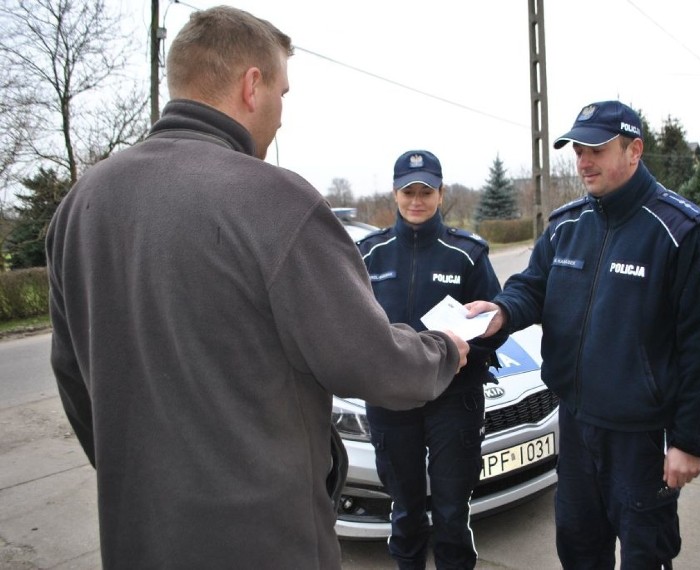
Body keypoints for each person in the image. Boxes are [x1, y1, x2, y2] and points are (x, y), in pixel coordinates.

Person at [45, 7, 469, 570]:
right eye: (283, 93)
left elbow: (74, 378)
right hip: (267, 539)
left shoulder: (80, 205)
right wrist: (444, 349)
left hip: (140, 534)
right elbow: (370, 361)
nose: (281, 117)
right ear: (252, 85)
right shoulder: (274, 201)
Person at [466, 100, 700, 569]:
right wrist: (503, 310)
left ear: (634, 150)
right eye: (577, 150)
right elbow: (533, 287)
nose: (583, 161)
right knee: (578, 549)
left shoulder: (681, 231)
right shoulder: (567, 225)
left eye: (595, 149)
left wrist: (690, 441)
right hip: (575, 425)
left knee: (644, 556)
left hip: (640, 439)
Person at [356, 150, 508, 569]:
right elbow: (353, 328)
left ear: (441, 194)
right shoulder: (370, 254)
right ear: (395, 194)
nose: (417, 200)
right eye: (409, 191)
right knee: (405, 515)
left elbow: (495, 328)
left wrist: (464, 355)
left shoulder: (466, 254)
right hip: (393, 404)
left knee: (451, 516)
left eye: (426, 191)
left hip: (452, 401)